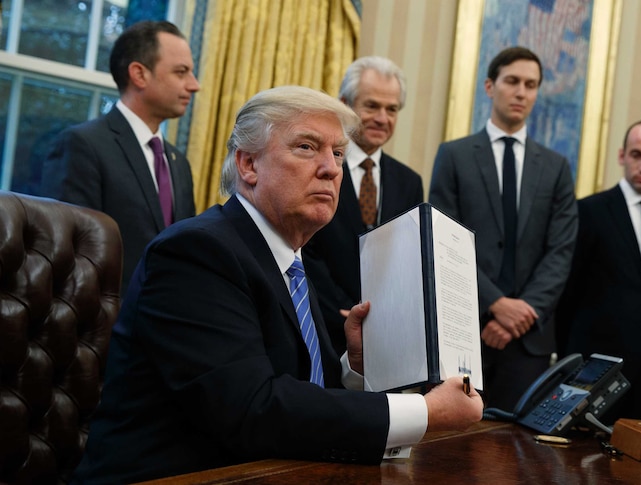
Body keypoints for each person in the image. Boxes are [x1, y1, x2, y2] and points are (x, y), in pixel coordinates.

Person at [71, 86, 483, 484]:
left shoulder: (289, 262)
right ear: (248, 165)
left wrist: (355, 367)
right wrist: (424, 412)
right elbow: (254, 409)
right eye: (306, 147)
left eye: (338, 153)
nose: (331, 168)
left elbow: (305, 392)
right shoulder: (196, 252)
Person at [429, 46, 577, 412]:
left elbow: (560, 251)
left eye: (531, 84)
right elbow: (443, 240)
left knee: (519, 455)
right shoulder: (454, 155)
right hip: (463, 328)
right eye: (512, 81)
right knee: (448, 449)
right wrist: (494, 303)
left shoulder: (556, 167)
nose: (521, 92)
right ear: (490, 86)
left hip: (529, 339)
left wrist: (518, 315)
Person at [41, 20, 198, 295]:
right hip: (101, 325)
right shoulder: (83, 145)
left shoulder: (178, 162)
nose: (194, 85)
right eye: (181, 72)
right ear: (139, 74)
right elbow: (69, 252)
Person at [556, 120, 641, 424]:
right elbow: (569, 290)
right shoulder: (590, 211)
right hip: (596, 364)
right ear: (622, 155)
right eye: (637, 155)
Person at [304, 56, 423, 355]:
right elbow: (306, 246)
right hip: (319, 326)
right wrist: (341, 311)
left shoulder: (409, 181)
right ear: (344, 104)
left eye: (392, 109)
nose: (382, 118)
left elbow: (406, 261)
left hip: (383, 339)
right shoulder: (318, 166)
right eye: (371, 106)